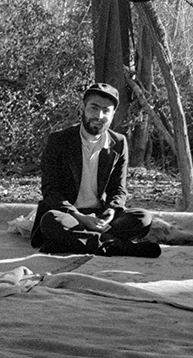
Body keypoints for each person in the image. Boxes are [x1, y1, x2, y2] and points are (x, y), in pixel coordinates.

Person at [30, 82, 159, 258]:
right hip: (70, 215)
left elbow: (118, 190)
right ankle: (115, 245)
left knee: (143, 218)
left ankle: (74, 242)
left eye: (106, 111)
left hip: (100, 216)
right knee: (51, 221)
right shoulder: (59, 140)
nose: (99, 116)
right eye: (94, 108)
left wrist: (111, 211)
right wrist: (80, 217)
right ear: (82, 108)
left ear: (113, 114)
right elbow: (50, 191)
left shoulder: (119, 143)